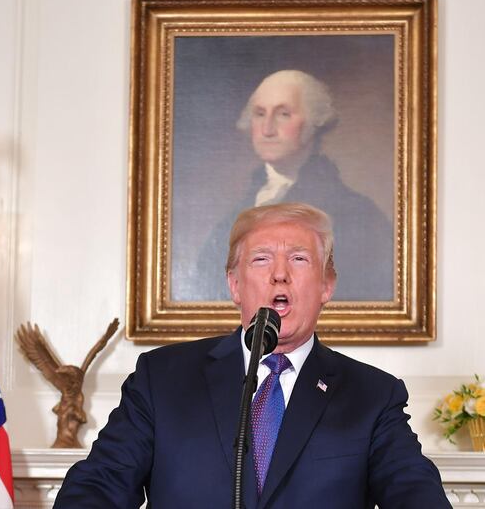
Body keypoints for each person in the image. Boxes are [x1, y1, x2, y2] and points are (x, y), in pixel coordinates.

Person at [55, 203, 449, 508]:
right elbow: (100, 485)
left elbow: (414, 491)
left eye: (298, 258)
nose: (280, 274)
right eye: (261, 259)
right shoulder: (162, 378)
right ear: (235, 285)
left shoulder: (373, 395)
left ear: (327, 285)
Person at [192, 70, 394, 302]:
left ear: (314, 123)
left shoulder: (358, 214)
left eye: (283, 114)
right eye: (259, 114)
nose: (267, 129)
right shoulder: (240, 211)